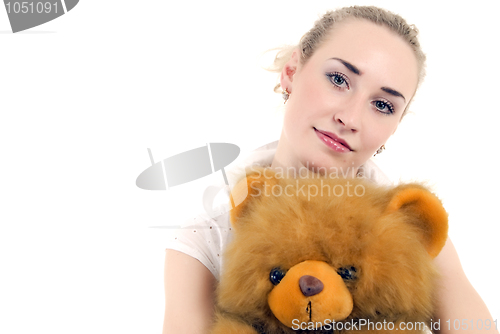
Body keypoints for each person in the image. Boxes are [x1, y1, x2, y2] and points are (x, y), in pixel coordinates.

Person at [162, 6, 497, 334]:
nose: (350, 118)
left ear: (394, 127)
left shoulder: (402, 227)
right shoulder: (206, 238)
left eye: (383, 105)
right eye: (339, 79)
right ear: (291, 71)